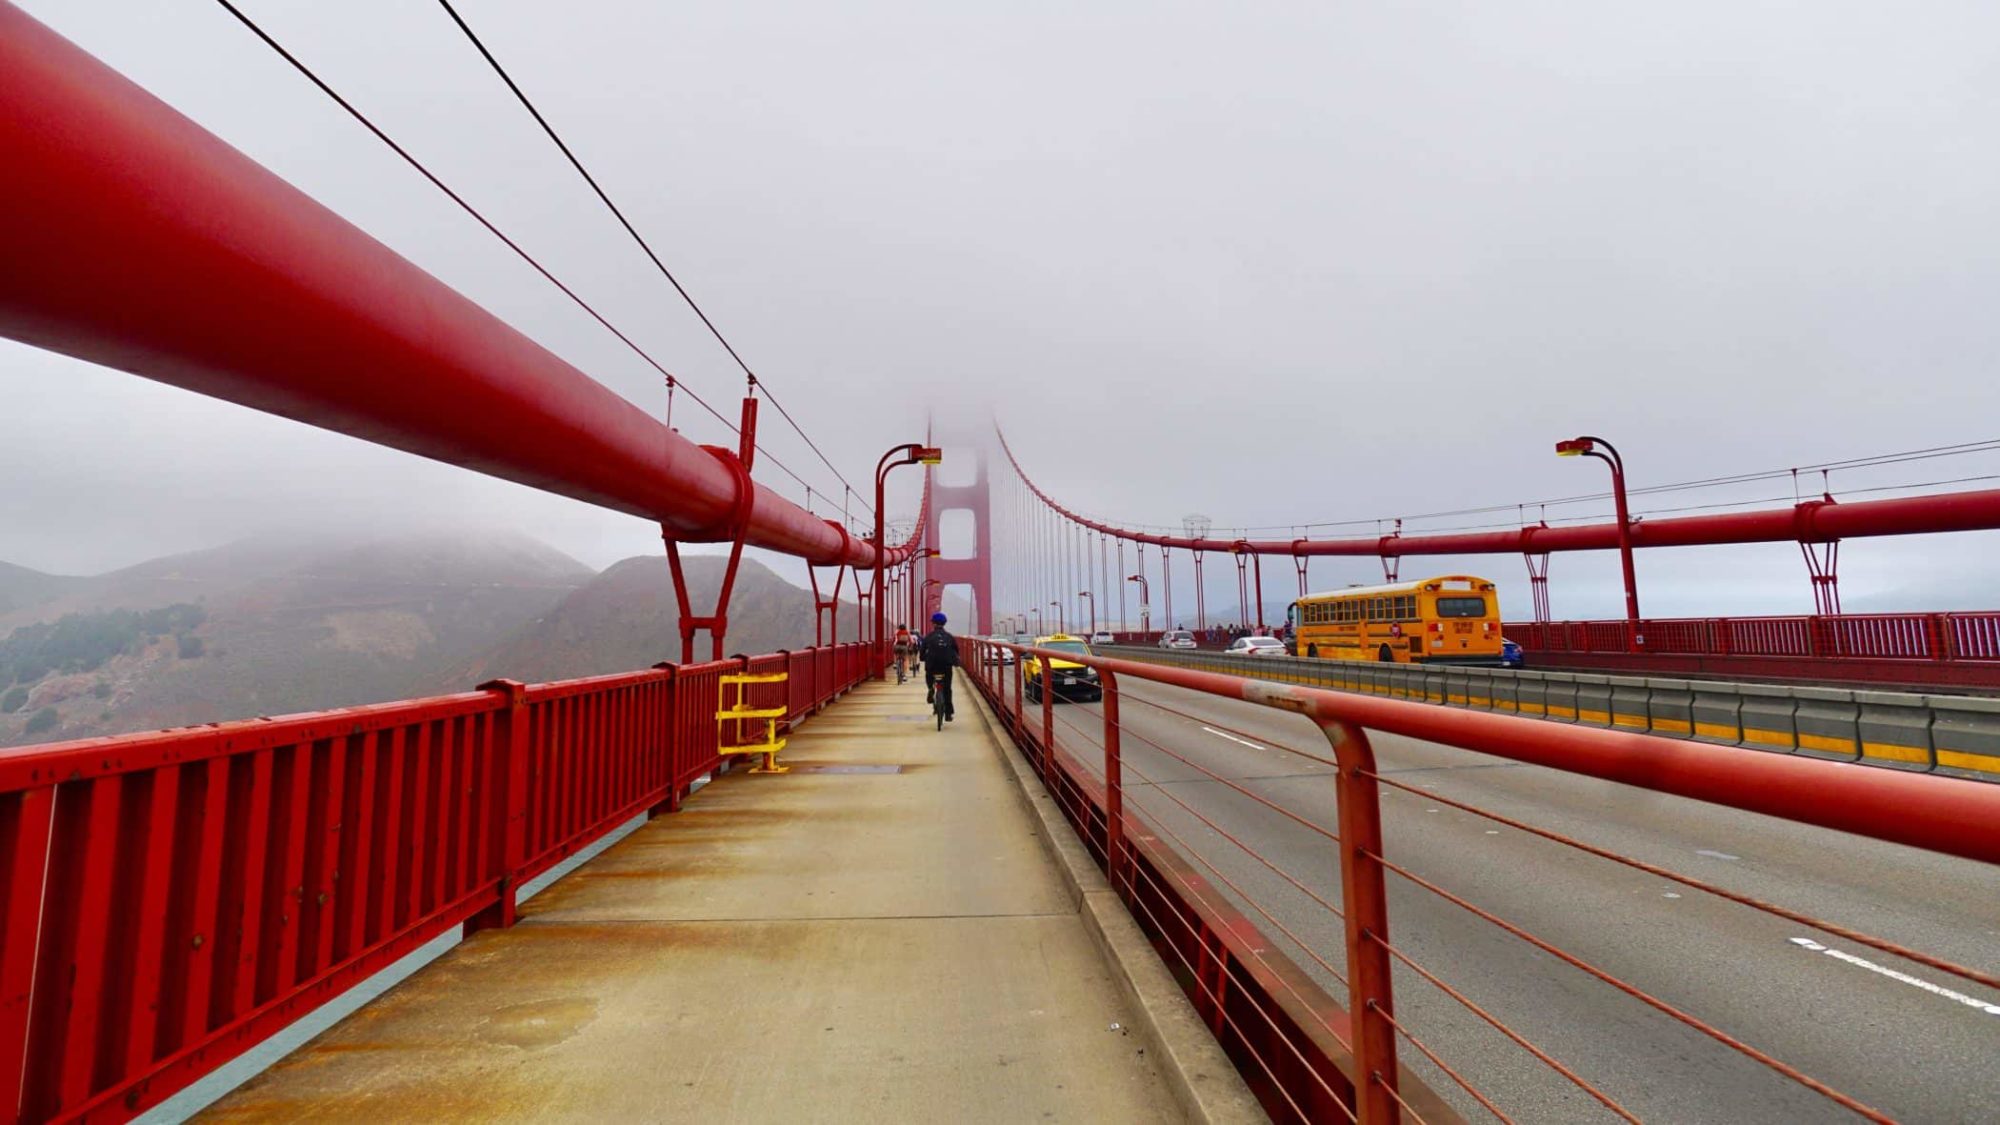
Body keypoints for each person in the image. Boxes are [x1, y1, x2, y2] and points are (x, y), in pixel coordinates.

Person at [919, 611, 959, 722]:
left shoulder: (928, 636)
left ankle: (931, 688)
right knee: (947, 689)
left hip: (932, 665)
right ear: (944, 623)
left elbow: (922, 652)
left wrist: (923, 658)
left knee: (929, 676)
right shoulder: (949, 637)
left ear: (933, 623)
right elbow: (956, 651)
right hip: (946, 666)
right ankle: (948, 714)